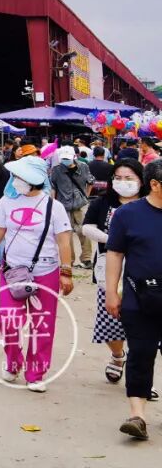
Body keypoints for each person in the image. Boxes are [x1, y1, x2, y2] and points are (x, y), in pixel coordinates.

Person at [0, 155, 74, 393]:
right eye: (15, 176)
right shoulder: (6, 202)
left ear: (35, 180)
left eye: (20, 176)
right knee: (8, 319)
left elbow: (64, 241)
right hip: (13, 272)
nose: (15, 180)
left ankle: (36, 373)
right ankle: (13, 362)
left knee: (42, 325)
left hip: (46, 272)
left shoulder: (54, 207)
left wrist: (66, 272)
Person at [105, 159, 162, 440]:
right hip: (139, 298)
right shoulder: (127, 215)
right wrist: (111, 292)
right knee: (140, 353)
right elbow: (115, 253)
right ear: (155, 184)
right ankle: (137, 416)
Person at [83, 160, 148, 388]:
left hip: (144, 272)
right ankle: (118, 355)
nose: (123, 182)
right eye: (118, 178)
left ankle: (142, 376)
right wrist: (112, 239)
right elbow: (87, 226)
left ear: (141, 180)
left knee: (144, 326)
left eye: (129, 178)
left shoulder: (150, 203)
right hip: (109, 269)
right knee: (110, 320)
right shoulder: (103, 202)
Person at [50, 145, 93, 269]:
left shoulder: (83, 167)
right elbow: (53, 187)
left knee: (84, 231)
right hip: (63, 205)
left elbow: (90, 182)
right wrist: (53, 203)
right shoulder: (56, 170)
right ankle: (69, 259)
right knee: (66, 234)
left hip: (80, 205)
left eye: (67, 158)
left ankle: (86, 259)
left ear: (74, 157)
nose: (65, 161)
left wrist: (86, 196)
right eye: (63, 158)